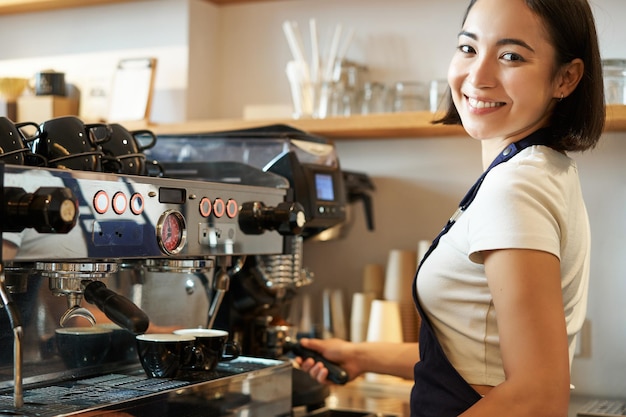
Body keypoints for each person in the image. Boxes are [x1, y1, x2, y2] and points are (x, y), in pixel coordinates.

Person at [296, 0, 604, 416]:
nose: (478, 76)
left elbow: (538, 395)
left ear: (566, 78)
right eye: (468, 48)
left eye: (511, 56)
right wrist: (360, 355)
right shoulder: (541, 169)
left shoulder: (515, 187)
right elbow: (478, 356)